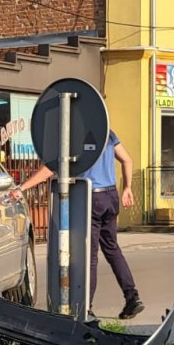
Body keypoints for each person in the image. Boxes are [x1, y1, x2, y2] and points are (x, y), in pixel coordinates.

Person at [9, 130, 144, 320]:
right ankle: (132, 297)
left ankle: (85, 308)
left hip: (90, 196)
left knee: (90, 256)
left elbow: (49, 169)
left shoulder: (73, 134)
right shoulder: (106, 132)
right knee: (112, 249)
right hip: (111, 195)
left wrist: (22, 187)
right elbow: (127, 159)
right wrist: (127, 188)